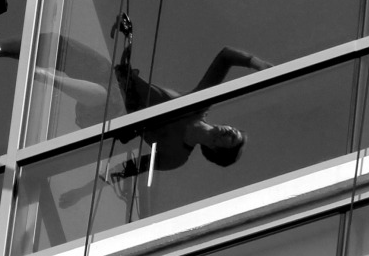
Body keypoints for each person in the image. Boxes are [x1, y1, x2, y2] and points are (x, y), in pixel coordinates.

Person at [37, 16, 271, 189]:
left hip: (109, 113)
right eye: (234, 131)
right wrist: (258, 64)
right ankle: (39, 66)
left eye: (231, 139)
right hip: (118, 81)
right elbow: (225, 56)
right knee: (62, 48)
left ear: (217, 150)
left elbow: (130, 169)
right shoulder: (199, 105)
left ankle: (51, 79)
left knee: (111, 98)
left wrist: (83, 191)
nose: (229, 131)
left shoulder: (175, 157)